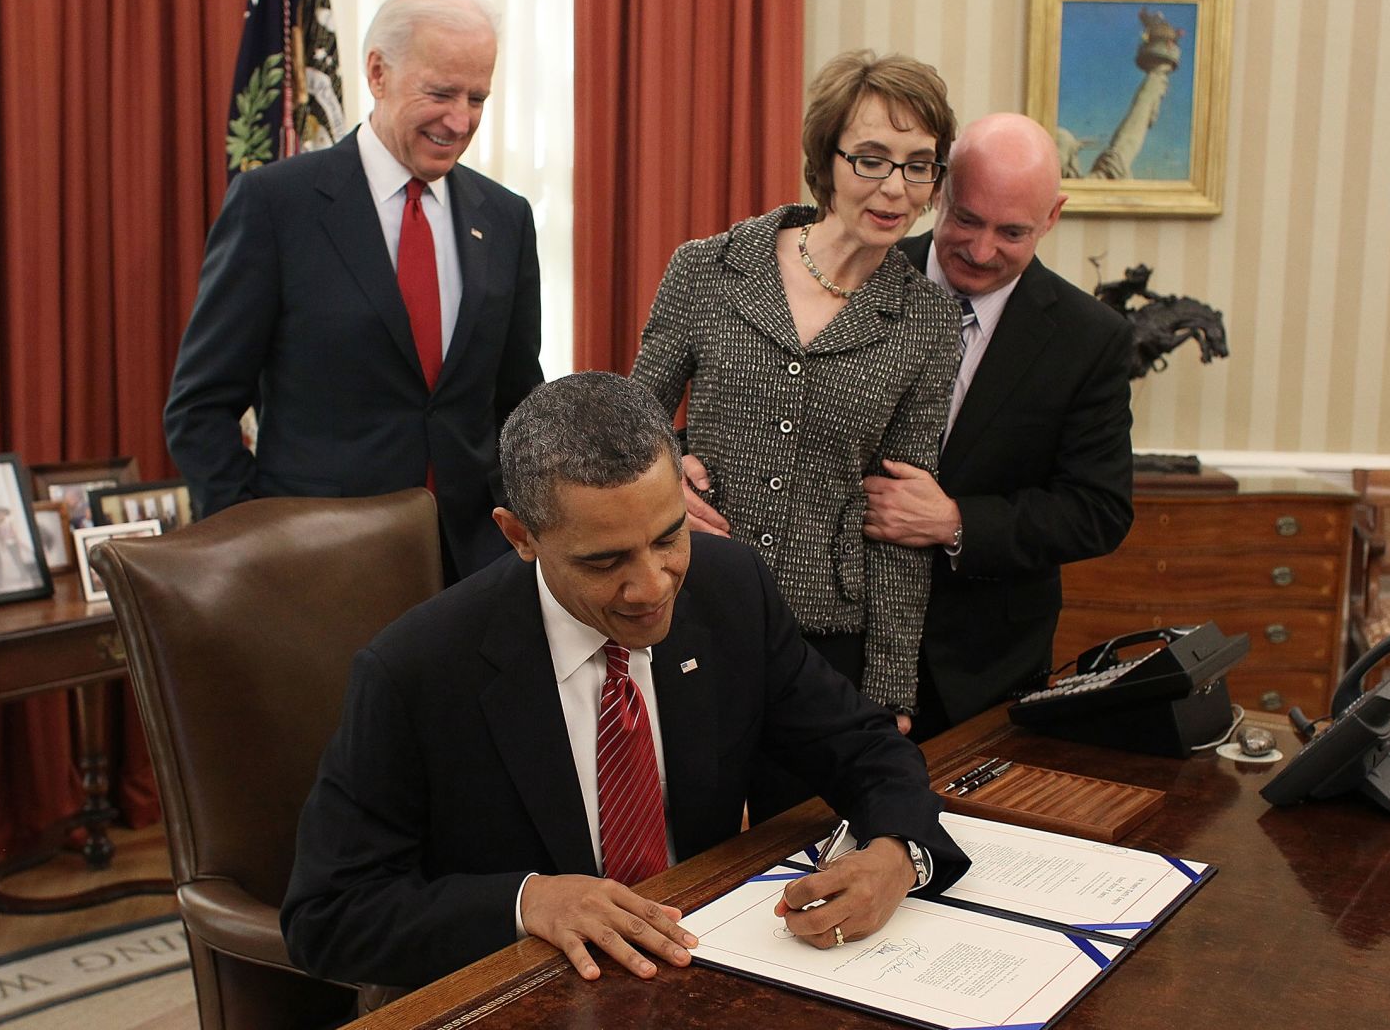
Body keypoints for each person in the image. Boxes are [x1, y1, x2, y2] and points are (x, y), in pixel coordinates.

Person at [281, 372, 970, 994]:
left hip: (700, 971)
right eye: (606, 559)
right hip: (524, 992)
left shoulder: (730, 590)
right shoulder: (415, 671)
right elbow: (329, 916)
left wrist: (899, 855)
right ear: (520, 535)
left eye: (670, 536)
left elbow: (867, 748)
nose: (651, 585)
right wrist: (528, 902)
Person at [630, 50, 961, 760]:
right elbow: (633, 425)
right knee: (688, 839)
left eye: (918, 164)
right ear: (827, 159)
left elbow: (902, 514)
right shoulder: (707, 268)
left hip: (826, 638)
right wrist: (666, 476)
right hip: (688, 605)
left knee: (799, 850)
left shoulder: (929, 322)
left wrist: (891, 685)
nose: (895, 188)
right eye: (870, 158)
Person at [164, 0, 542, 582]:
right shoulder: (275, 206)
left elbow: (519, 401)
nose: (460, 119)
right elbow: (200, 407)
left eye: (477, 97)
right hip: (317, 566)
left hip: (475, 567)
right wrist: (250, 539)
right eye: (441, 93)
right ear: (377, 73)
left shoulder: (506, 218)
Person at [866, 113, 1135, 739]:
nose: (981, 251)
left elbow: (1098, 508)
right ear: (939, 190)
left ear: (1052, 217)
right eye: (965, 219)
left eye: (1012, 232)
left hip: (983, 672)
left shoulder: (1090, 339)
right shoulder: (855, 282)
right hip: (838, 650)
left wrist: (956, 522)